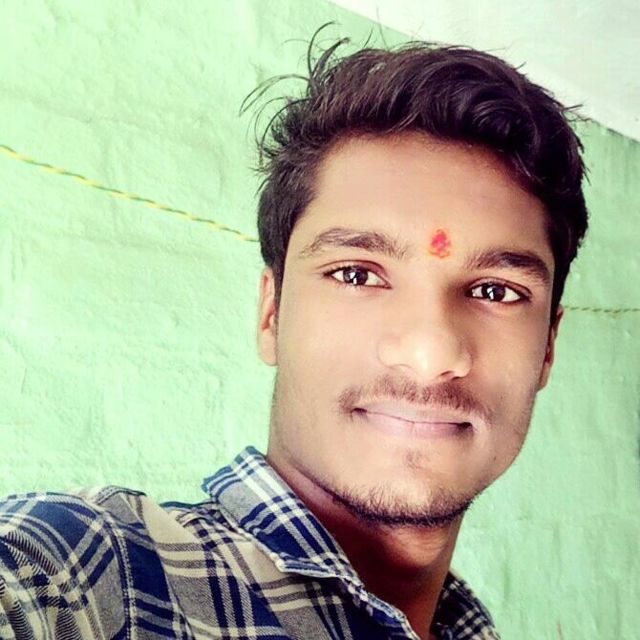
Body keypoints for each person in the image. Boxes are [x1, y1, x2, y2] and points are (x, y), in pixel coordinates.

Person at [0, 33, 588, 640]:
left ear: (547, 347)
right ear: (271, 315)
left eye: (496, 290)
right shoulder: (88, 574)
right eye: (357, 274)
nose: (430, 352)